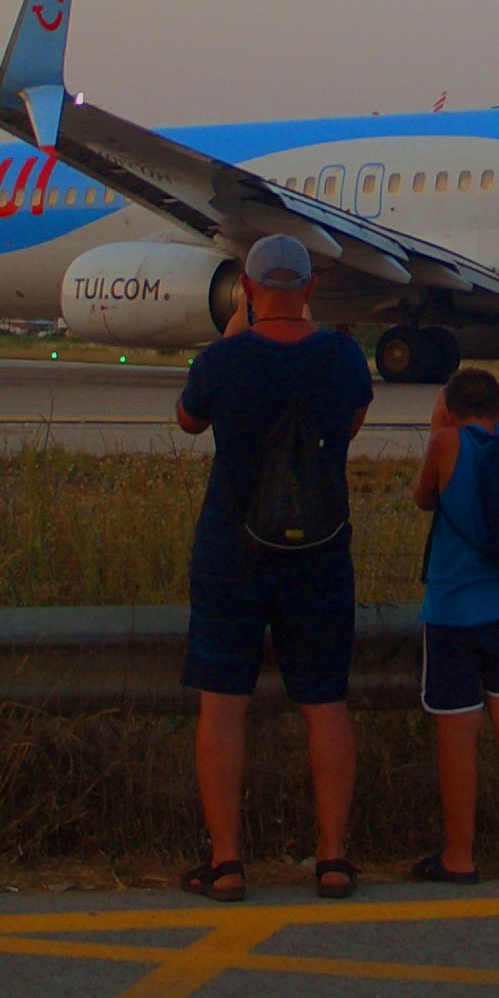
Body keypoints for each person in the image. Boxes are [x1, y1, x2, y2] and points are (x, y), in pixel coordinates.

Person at [174, 234, 374, 901]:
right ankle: (333, 858)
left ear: (249, 289)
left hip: (232, 548)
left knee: (223, 706)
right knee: (324, 701)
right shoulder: (342, 356)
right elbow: (348, 426)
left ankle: (227, 862)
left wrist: (236, 332)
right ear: (311, 289)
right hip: (319, 549)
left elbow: (186, 421)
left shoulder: (223, 359)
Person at [407, 366, 499, 884]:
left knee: (458, 734)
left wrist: (436, 429)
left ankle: (459, 856)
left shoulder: (446, 445)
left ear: (448, 407)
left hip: (455, 610)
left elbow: (424, 497)